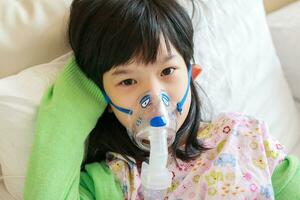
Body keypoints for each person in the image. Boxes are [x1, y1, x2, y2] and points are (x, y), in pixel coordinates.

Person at [23, 0, 300, 199]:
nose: (155, 97)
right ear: (104, 98)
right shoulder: (112, 182)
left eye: (167, 71)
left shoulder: (244, 140)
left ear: (192, 75)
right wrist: (78, 91)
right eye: (127, 81)